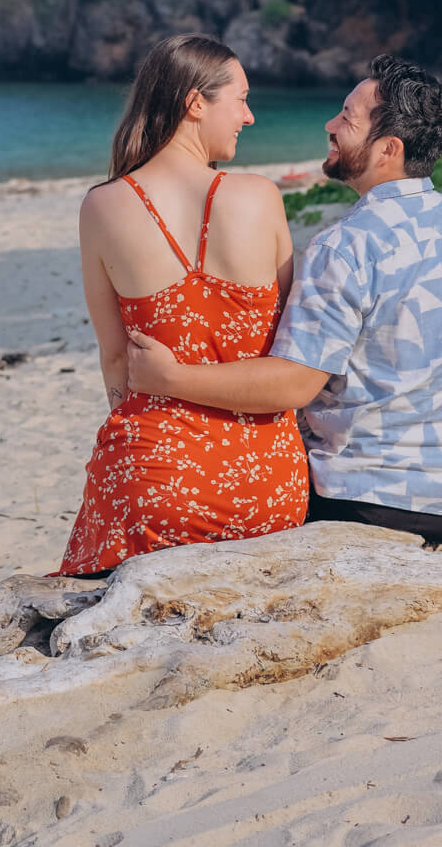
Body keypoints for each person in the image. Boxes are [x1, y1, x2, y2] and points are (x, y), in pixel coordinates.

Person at [128, 52, 442, 548]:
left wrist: (170, 378)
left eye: (347, 119)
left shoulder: (346, 245)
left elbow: (292, 384)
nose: (330, 125)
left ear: (388, 149)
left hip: (377, 497)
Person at [59, 34, 309, 575]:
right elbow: (290, 350)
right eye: (241, 100)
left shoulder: (102, 206)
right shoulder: (260, 197)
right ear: (196, 103)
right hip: (267, 483)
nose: (249, 116)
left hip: (156, 479)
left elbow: (116, 361)